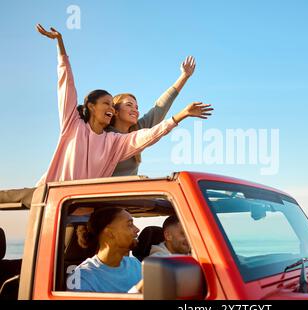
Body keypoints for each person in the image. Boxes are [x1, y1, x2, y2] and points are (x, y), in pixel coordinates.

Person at [0, 25, 213, 207]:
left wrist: (182, 111)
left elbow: (156, 120)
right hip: (59, 196)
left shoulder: (118, 140)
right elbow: (66, 85)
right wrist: (60, 45)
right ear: (93, 106)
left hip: (91, 201)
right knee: (18, 196)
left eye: (136, 106)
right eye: (112, 104)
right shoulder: (75, 126)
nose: (136, 109)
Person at [107, 56, 197, 176]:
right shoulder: (103, 135)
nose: (135, 110)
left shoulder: (137, 129)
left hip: (130, 192)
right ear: (116, 111)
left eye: (136, 107)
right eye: (129, 105)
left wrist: (184, 76)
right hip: (105, 192)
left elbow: (160, 107)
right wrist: (182, 114)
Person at [70, 207, 142, 293]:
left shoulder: (135, 264)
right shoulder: (81, 276)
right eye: (130, 224)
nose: (137, 229)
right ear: (109, 233)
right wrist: (138, 290)